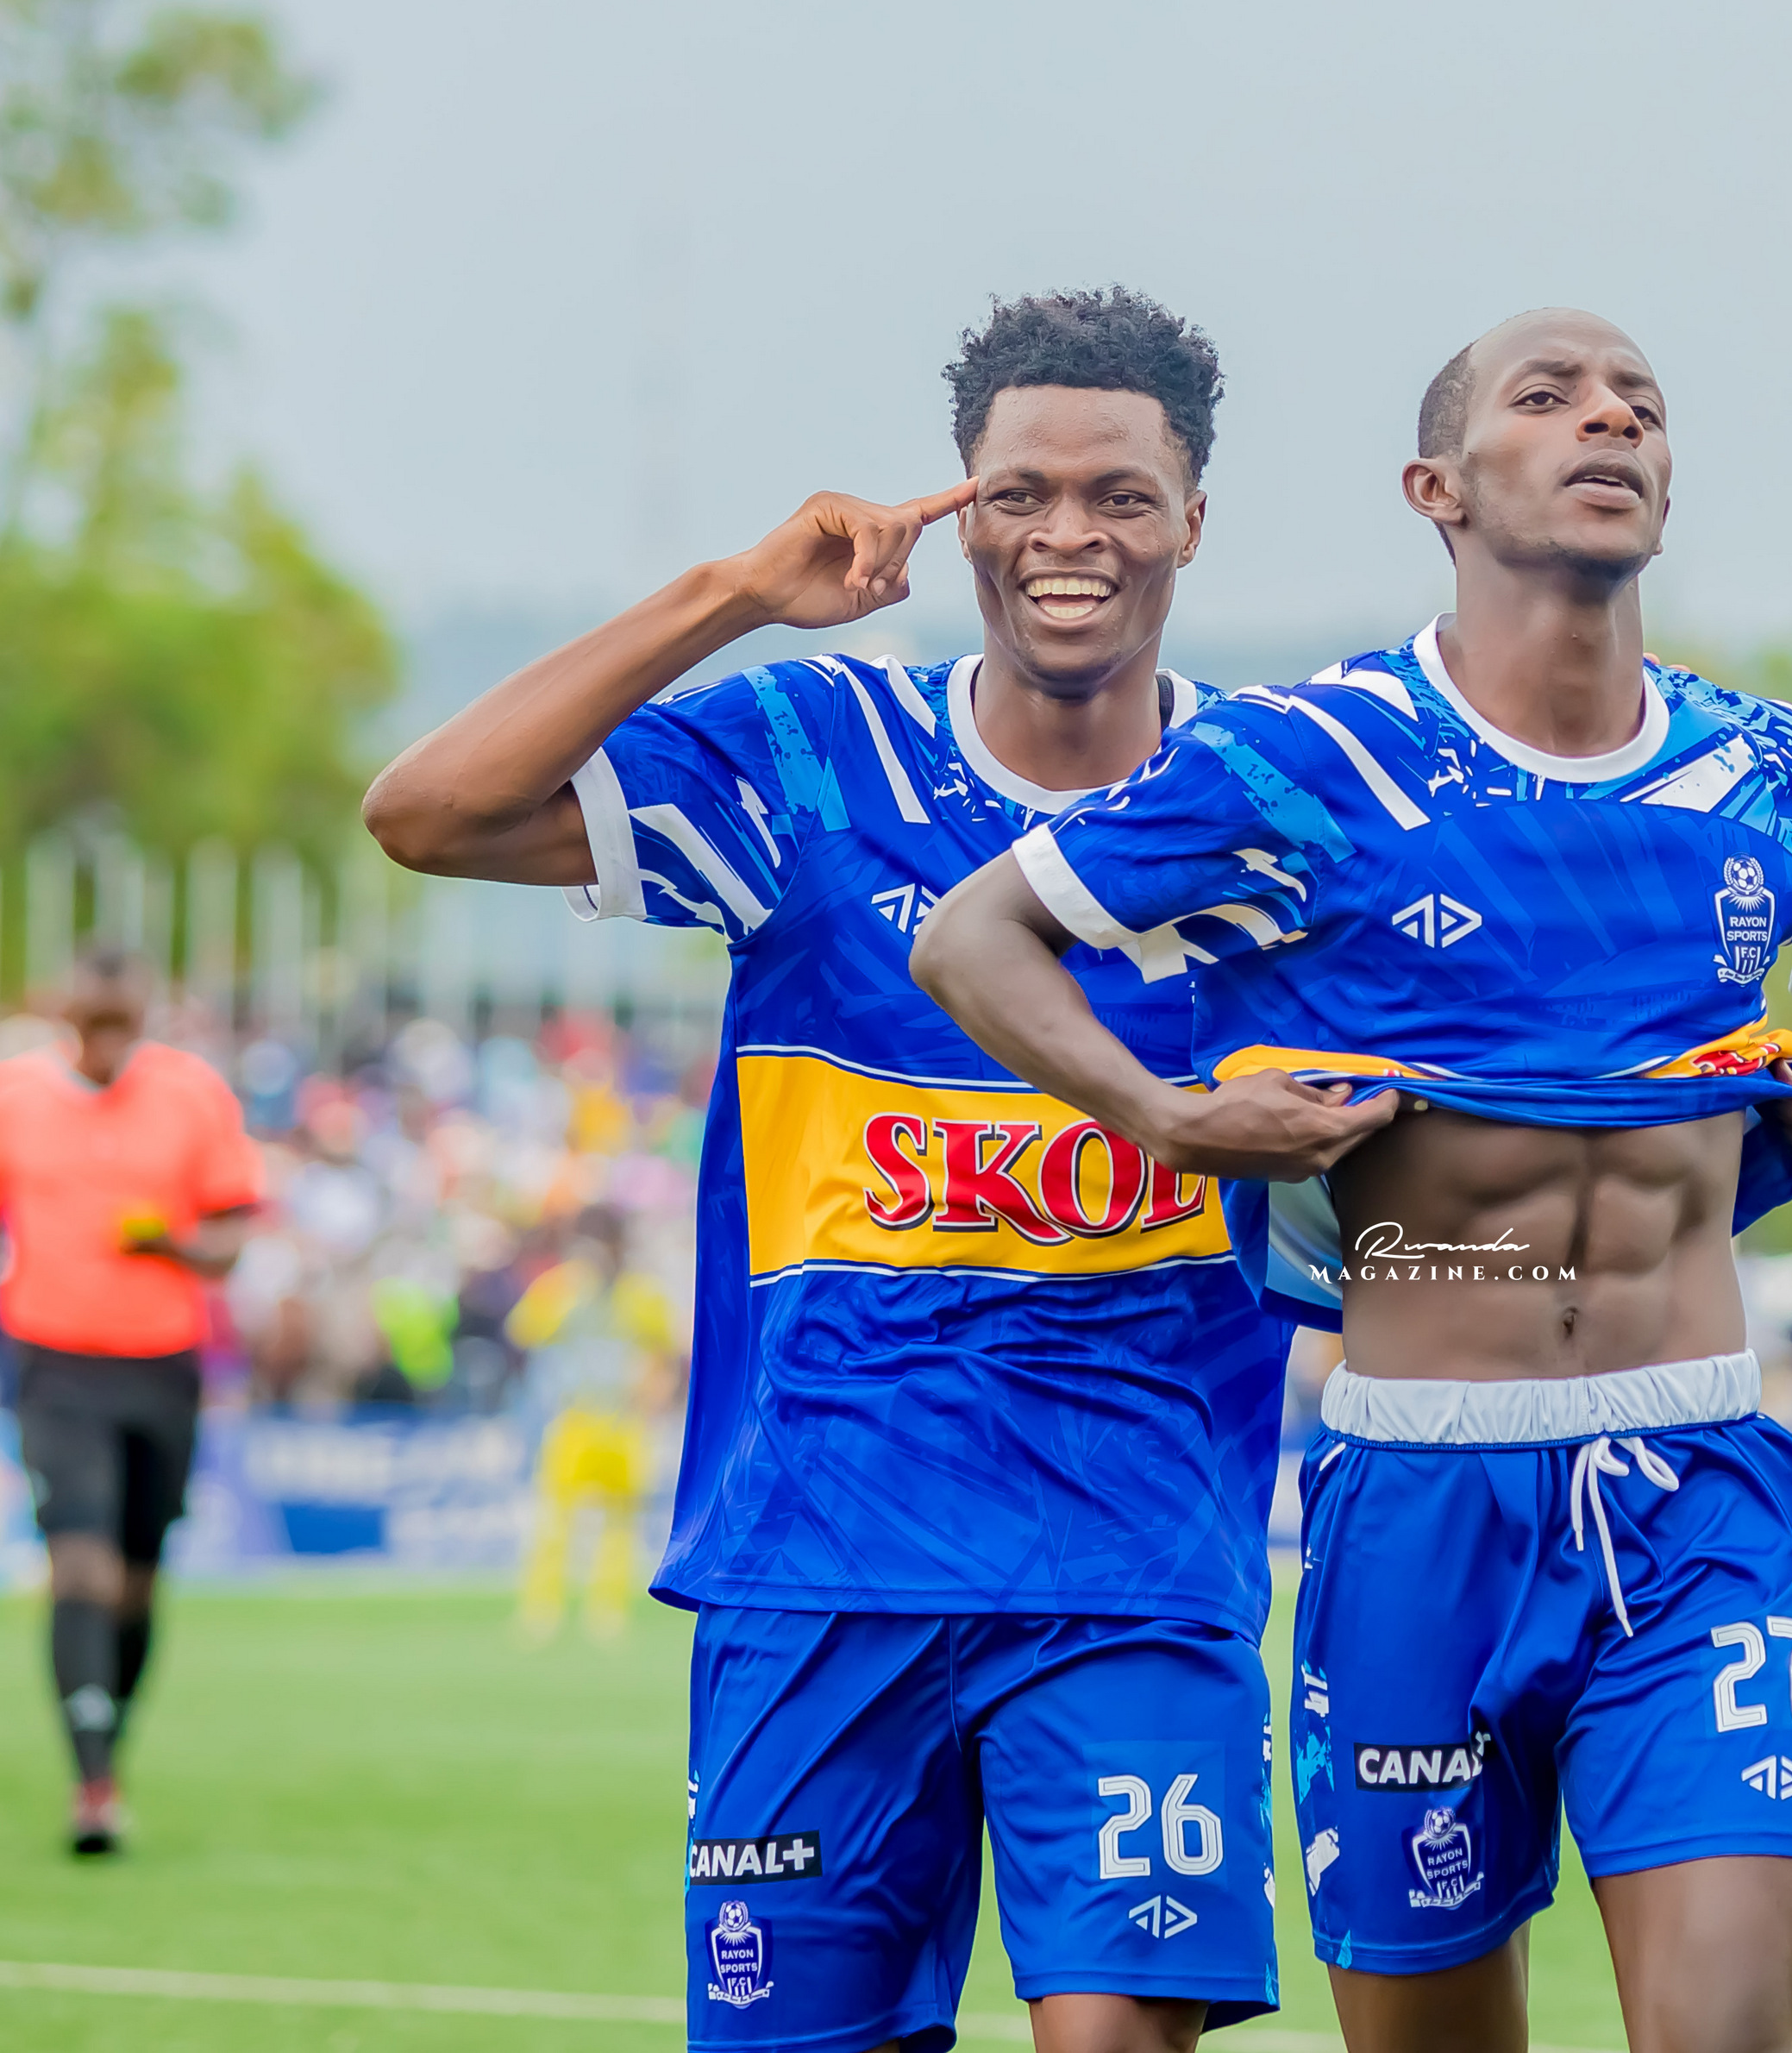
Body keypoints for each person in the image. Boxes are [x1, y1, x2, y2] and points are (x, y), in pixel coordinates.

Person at [915, 308, 1792, 2053]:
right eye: (1549, 399)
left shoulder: (1764, 766)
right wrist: (1167, 1116)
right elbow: (975, 937)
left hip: (1700, 1486)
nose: (1609, 421)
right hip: (1415, 1495)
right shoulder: (1306, 758)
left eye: (1640, 405)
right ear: (1438, 489)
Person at [365, 288, 1288, 2053]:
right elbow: (429, 812)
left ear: (1191, 521)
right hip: (816, 1557)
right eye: (1020, 494)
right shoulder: (810, 756)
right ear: (962, 513)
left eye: (1121, 495)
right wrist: (731, 591)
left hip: (1134, 1555)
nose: (1071, 534)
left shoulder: (1274, 797)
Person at [0, 946, 262, 1855]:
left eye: (123, 1021)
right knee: (82, 1569)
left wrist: (171, 1246)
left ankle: (109, 1746)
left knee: (140, 1583)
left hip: (162, 1366)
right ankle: (93, 1787)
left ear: (142, 1016)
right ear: (65, 1012)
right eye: (94, 1021)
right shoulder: (16, 1096)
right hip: (54, 1363)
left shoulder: (192, 1095)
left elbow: (230, 1240)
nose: (108, 1038)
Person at [507, 1204, 678, 1643]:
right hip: (574, 1416)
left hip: (624, 1420)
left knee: (620, 1521)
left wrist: (655, 1394)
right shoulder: (561, 1289)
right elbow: (520, 1335)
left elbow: (668, 1352)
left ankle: (608, 1610)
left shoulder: (641, 1295)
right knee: (556, 1518)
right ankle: (542, 1609)